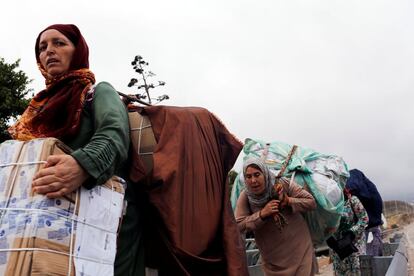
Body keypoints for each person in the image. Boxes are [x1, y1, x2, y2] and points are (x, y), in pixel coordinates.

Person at [8, 24, 143, 276]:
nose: (49, 51)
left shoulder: (97, 92)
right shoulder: (36, 109)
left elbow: (114, 135)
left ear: (77, 50)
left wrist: (82, 165)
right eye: (42, 47)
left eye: (59, 43)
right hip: (49, 225)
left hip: (104, 228)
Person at [235, 157, 317, 276]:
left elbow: (311, 202)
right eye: (248, 176)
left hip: (299, 250)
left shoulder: (282, 183)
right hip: (272, 262)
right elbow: (238, 226)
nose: (253, 180)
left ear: (265, 173)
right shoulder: (246, 196)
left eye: (257, 175)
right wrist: (262, 214)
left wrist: (288, 201)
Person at [327, 188, 369, 276]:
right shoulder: (326, 205)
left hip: (354, 246)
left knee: (357, 272)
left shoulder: (352, 200)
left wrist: (351, 233)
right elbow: (324, 225)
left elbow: (364, 219)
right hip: (338, 250)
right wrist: (329, 238)